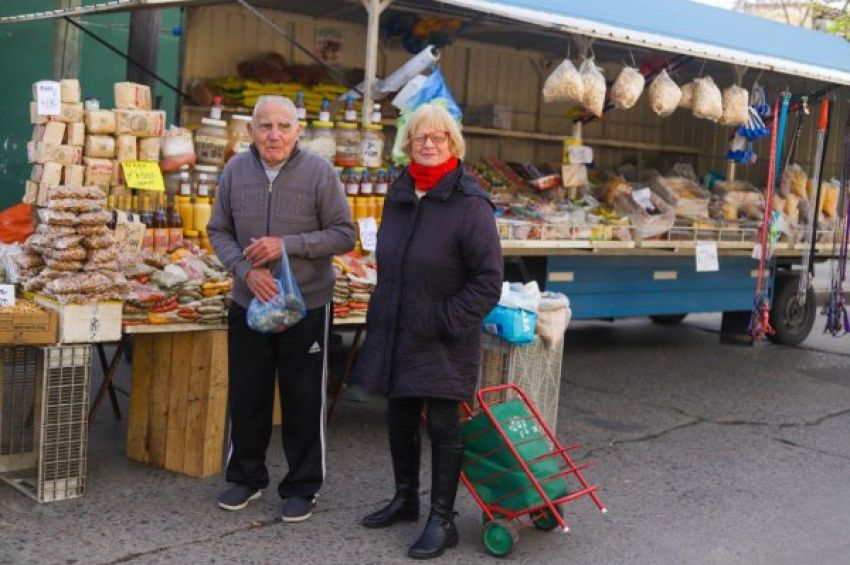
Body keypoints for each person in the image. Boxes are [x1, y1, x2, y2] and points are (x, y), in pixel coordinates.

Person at [351, 103, 503, 559]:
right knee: (398, 415)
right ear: (408, 144)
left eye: (438, 137)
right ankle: (405, 499)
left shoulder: (470, 204)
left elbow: (487, 281)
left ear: (453, 144)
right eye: (420, 137)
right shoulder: (399, 193)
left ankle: (443, 519)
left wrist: (442, 320)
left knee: (441, 424)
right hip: (398, 325)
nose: (429, 143)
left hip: (442, 335)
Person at [208, 95, 355, 522]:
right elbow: (218, 230)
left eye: (284, 126)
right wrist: (244, 270)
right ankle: (246, 477)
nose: (274, 135)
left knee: (303, 397)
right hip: (249, 301)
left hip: (306, 304)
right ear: (251, 131)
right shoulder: (235, 170)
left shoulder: (319, 173)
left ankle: (304, 487)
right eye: (265, 126)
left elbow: (344, 234)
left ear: (298, 131)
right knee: (248, 393)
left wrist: (286, 245)